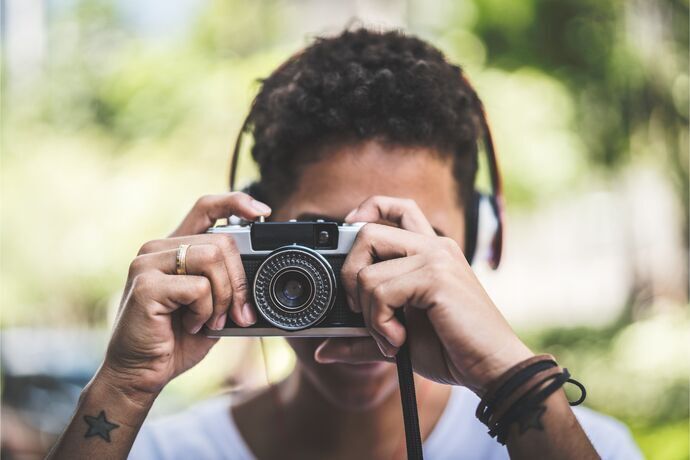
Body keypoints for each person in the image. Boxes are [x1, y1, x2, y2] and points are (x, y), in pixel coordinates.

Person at [48, 29, 641, 460]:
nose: (371, 286)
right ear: (252, 236)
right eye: (322, 243)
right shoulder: (155, 451)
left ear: (478, 240)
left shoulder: (577, 445)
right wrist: (122, 388)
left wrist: (512, 382)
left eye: (411, 247)